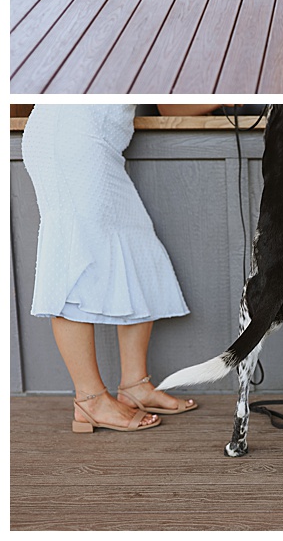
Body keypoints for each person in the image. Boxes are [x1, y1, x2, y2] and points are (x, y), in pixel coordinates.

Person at [21, 104, 215, 433]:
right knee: (75, 259)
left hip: (95, 139)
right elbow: (171, 105)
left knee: (138, 251)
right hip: (72, 135)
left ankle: (134, 385)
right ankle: (90, 399)